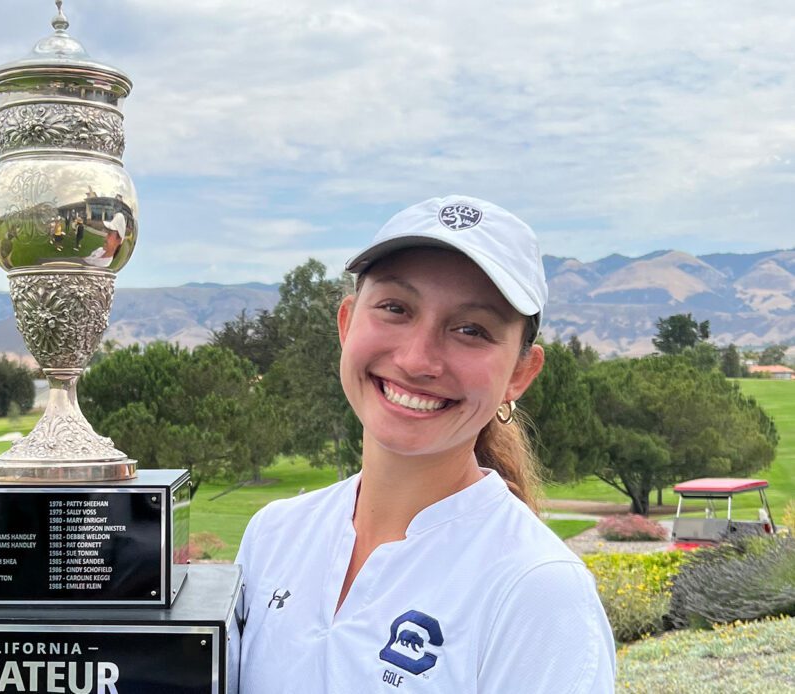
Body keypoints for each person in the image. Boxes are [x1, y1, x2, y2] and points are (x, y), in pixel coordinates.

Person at [233, 195, 615, 693]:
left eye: (471, 330)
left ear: (521, 373)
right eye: (395, 308)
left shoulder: (538, 589)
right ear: (347, 325)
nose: (418, 360)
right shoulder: (273, 537)